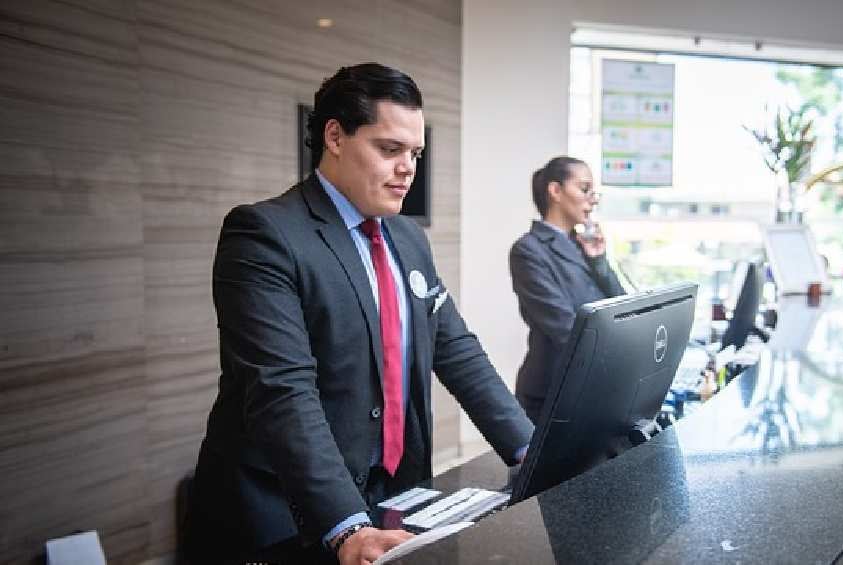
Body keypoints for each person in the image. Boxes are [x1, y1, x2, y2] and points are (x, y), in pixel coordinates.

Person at [183, 63, 533, 565]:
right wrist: (347, 526)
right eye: (389, 149)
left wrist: (529, 450)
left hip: (384, 498)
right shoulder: (265, 234)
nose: (408, 167)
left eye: (414, 153)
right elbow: (282, 390)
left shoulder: (407, 237)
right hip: (283, 514)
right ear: (335, 136)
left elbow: (456, 350)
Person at [509, 157, 626, 424]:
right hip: (554, 392)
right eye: (584, 189)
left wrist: (599, 262)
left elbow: (621, 306)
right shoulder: (528, 250)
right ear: (556, 191)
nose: (592, 200)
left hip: (591, 387)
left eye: (593, 192)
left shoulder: (583, 244)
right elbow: (565, 327)